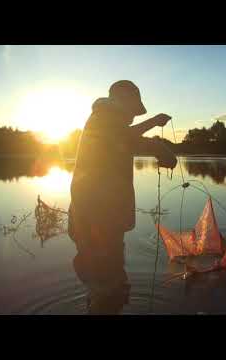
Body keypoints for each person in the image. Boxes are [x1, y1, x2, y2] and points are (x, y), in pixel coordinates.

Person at [68, 80, 177, 314]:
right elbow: (125, 137)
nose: (133, 117)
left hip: (105, 219)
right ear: (123, 102)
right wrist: (156, 131)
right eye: (133, 111)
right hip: (95, 219)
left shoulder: (111, 123)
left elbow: (126, 139)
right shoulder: (102, 118)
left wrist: (157, 146)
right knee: (106, 284)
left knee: (111, 282)